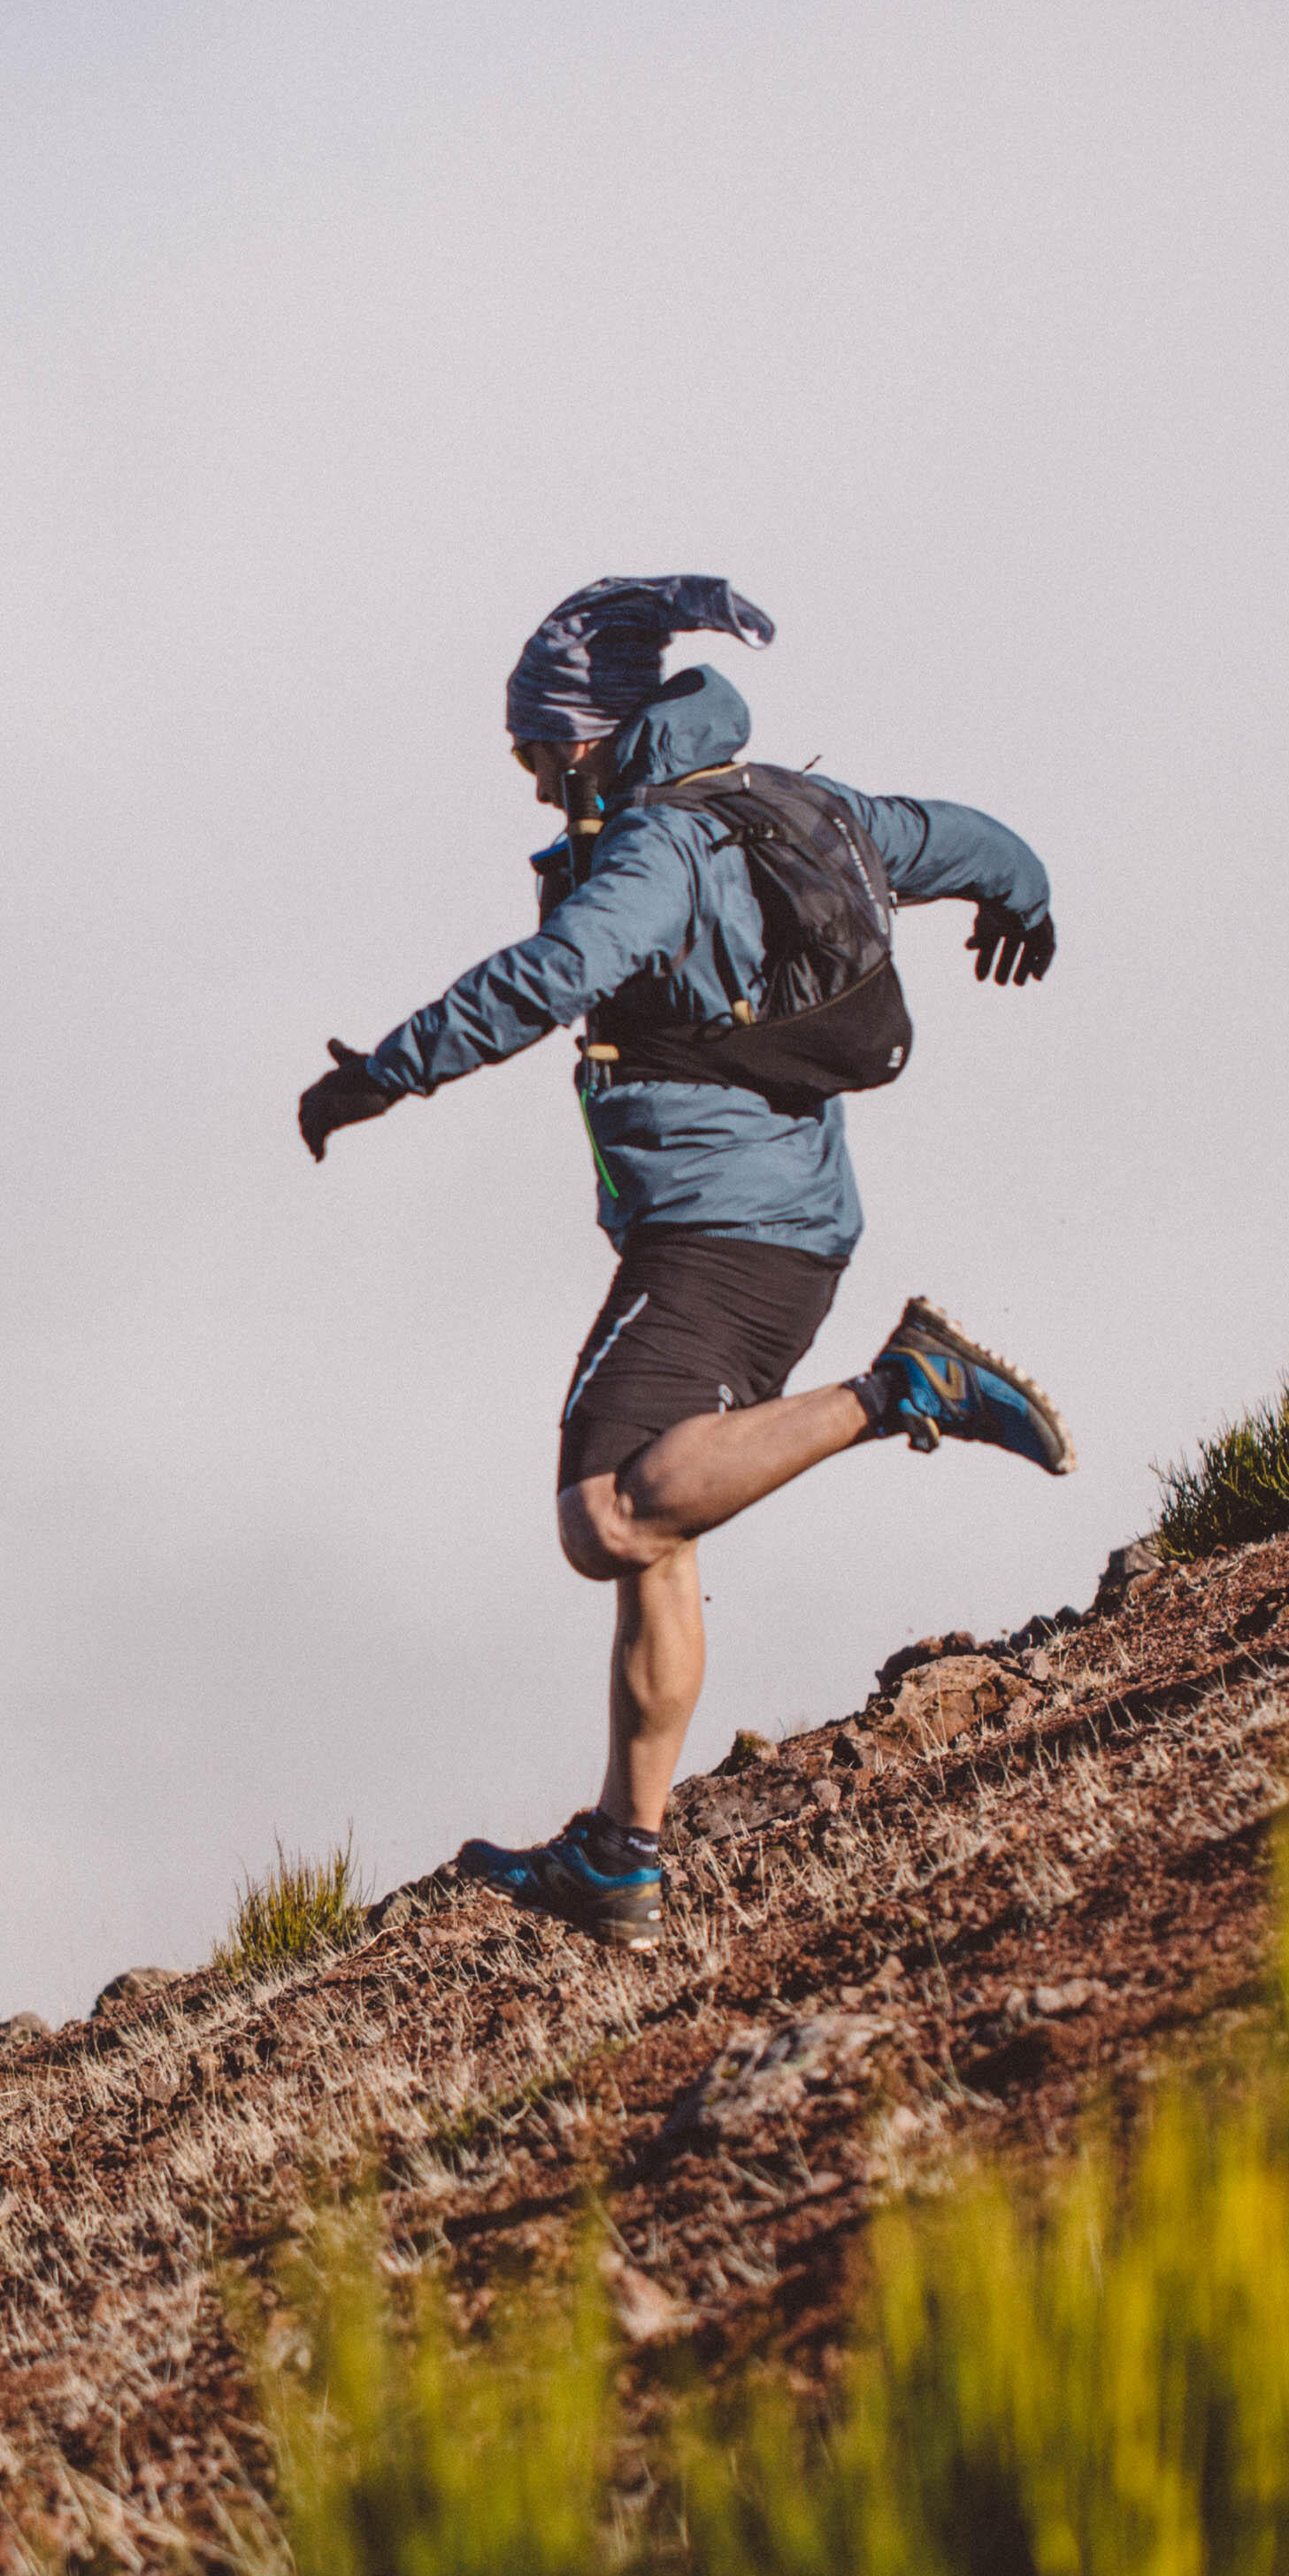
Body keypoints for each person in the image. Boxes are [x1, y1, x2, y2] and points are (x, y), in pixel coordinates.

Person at [293, 575, 1070, 1945]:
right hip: (786, 1229)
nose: (535, 789)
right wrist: (1029, 900)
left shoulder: (656, 851)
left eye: (539, 756)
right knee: (665, 1525)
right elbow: (970, 841)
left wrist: (384, 1078)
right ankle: (622, 1855)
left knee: (608, 1516)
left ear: (590, 742)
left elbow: (550, 977)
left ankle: (906, 1390)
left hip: (721, 1236)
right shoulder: (801, 807)